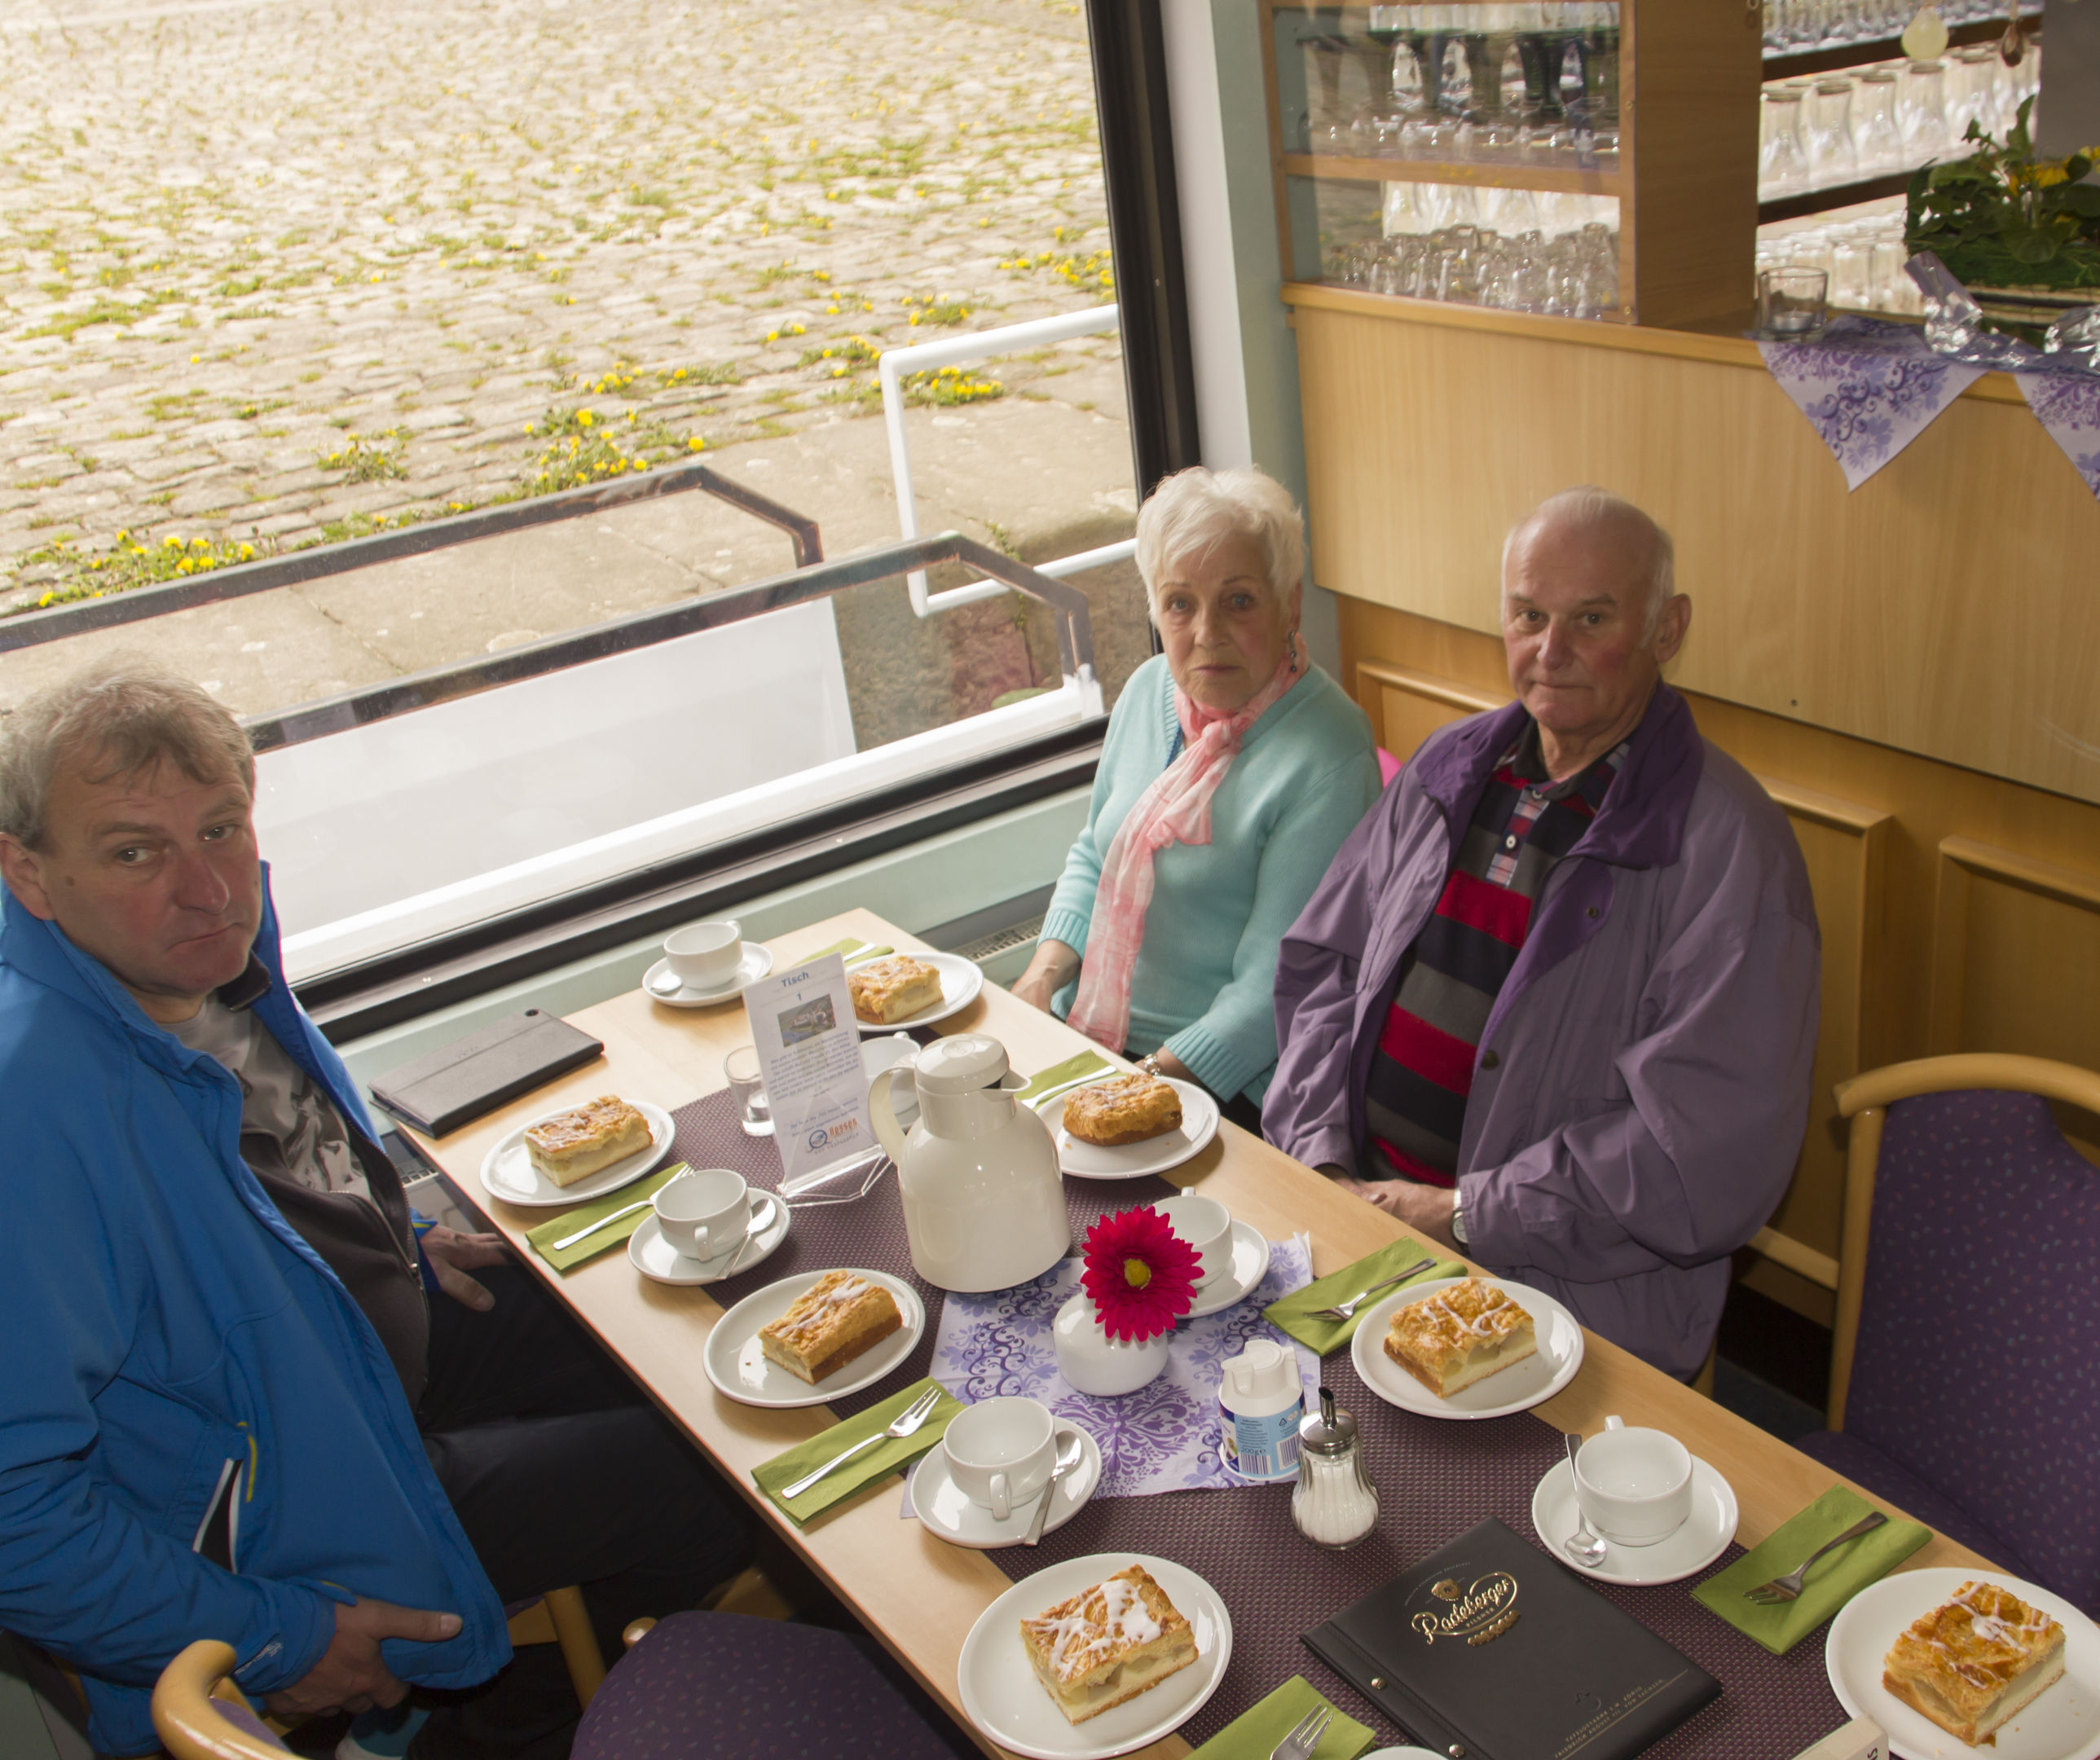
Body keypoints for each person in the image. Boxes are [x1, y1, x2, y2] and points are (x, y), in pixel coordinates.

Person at [0, 661, 753, 1758]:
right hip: (296, 1523)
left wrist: (393, 1236)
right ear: (27, 873)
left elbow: (258, 1182)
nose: (207, 888)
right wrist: (276, 1635)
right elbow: (14, 1518)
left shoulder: (189, 963)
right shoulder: (32, 1112)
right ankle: (514, 1720)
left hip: (344, 1364)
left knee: (679, 1325)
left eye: (220, 830)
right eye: (132, 852)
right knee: (714, 1478)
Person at [1265, 488, 1820, 1380]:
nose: (1549, 651)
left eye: (1591, 619)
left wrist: (1463, 1214)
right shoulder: (1447, 770)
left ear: (1667, 628)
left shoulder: (1729, 850)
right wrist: (1322, 1164)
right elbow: (1323, 971)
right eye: (1528, 615)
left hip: (1560, 1296)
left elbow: (1702, 1152)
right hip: (1362, 1217)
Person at [1010, 465, 1382, 1122]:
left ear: (1289, 604)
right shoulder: (1147, 688)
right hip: (1092, 1038)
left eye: (1238, 600)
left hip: (1219, 1086)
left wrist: (1136, 1087)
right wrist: (1039, 982)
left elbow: (1274, 989)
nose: (1207, 632)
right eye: (1180, 603)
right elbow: (1095, 854)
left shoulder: (1330, 755)